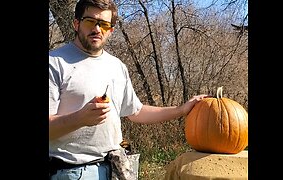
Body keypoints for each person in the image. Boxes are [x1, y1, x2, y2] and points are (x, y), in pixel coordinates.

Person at [49, 0, 209, 179]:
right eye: (90, 21)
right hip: (71, 172)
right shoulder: (54, 62)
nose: (97, 29)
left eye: (104, 24)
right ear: (76, 23)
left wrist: (181, 109)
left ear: (110, 30)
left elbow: (137, 112)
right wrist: (80, 118)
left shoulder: (116, 66)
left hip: (115, 169)